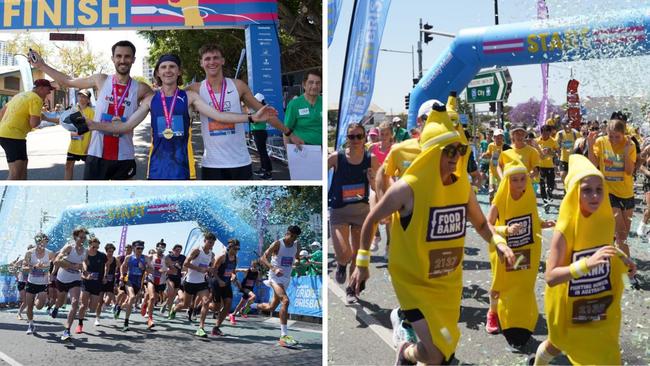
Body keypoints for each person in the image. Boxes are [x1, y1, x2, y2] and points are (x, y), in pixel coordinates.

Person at [349, 121, 515, 365]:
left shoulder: (462, 187)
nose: (455, 156)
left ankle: (407, 348)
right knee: (437, 355)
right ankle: (407, 341)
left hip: (447, 282)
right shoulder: (408, 188)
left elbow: (481, 225)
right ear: (432, 152)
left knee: (444, 352)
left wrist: (499, 242)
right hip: (412, 281)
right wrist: (361, 264)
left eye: (459, 150)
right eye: (449, 150)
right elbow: (371, 219)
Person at [87, 54, 277, 180]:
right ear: (158, 73)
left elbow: (219, 115)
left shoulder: (189, 97)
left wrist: (251, 118)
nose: (168, 70)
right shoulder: (151, 100)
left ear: (178, 72)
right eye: (163, 67)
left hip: (184, 167)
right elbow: (125, 127)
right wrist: (93, 125)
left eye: (172, 66)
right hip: (157, 168)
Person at [531, 154, 634, 365]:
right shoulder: (565, 227)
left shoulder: (605, 220)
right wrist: (586, 264)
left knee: (607, 355)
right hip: (569, 309)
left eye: (599, 189)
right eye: (587, 190)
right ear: (575, 193)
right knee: (556, 344)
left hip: (599, 305)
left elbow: (604, 249)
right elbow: (551, 277)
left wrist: (623, 259)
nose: (595, 196)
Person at [30, 41, 155, 180]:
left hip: (124, 156)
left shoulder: (141, 88)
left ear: (133, 59)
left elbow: (162, 101)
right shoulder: (101, 79)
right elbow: (68, 81)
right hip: (96, 154)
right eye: (118, 56)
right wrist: (41, 65)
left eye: (127, 56)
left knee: (122, 200)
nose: (123, 60)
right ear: (113, 58)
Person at [186, 44, 302, 180]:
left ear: (222, 61)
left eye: (216, 58)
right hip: (212, 164)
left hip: (240, 162)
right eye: (207, 59)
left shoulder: (238, 86)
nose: (212, 62)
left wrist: (289, 133)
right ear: (201, 63)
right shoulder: (195, 89)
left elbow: (264, 113)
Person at [485, 159, 554, 349]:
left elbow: (531, 218)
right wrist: (506, 230)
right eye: (514, 180)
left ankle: (519, 321)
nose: (519, 184)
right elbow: (488, 225)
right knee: (500, 285)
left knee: (522, 286)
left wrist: (542, 223)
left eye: (522, 179)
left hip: (526, 250)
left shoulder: (529, 195)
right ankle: (492, 313)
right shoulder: (500, 199)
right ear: (507, 181)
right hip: (503, 251)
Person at [328, 123, 377, 303]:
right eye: (351, 137)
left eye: (359, 136)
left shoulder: (370, 159)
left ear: (364, 138)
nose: (355, 140)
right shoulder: (336, 157)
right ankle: (341, 264)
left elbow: (376, 187)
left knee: (357, 254)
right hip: (339, 212)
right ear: (347, 139)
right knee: (344, 253)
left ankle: (351, 288)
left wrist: (372, 179)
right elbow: (317, 172)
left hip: (361, 213)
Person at [587, 118, 639, 288]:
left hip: (627, 193)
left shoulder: (629, 145)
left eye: (617, 136)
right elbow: (593, 163)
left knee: (622, 237)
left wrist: (625, 151)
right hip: (608, 193)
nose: (613, 140)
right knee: (622, 234)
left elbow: (629, 171)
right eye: (611, 136)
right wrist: (590, 143)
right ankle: (627, 275)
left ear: (623, 134)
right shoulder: (601, 142)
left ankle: (613, 263)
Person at [254, 226, 302, 347]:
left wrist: (297, 261)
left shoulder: (297, 244)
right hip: (275, 277)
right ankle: (283, 336)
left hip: (286, 278)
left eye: (295, 237)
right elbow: (263, 258)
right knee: (285, 301)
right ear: (287, 233)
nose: (293, 239)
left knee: (271, 307)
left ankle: (252, 304)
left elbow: (297, 258)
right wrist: (273, 268)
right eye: (291, 236)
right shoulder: (277, 244)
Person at [0, 79, 55, 179]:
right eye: (48, 89)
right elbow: (34, 123)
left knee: (23, 165)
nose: (49, 92)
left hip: (9, 134)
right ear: (41, 88)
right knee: (15, 173)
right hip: (13, 136)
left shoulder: (19, 95)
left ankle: (22, 191)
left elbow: (2, 113)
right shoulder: (36, 99)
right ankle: (6, 193)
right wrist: (39, 117)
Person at [169, 232, 216, 338]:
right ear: (204, 241)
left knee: (206, 301)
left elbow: (209, 266)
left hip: (202, 283)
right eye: (209, 242)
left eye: (212, 243)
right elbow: (185, 264)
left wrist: (209, 270)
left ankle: (201, 328)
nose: (211, 245)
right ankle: (174, 309)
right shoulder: (197, 250)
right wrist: (200, 269)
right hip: (190, 282)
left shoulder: (211, 254)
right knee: (186, 305)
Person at [51, 227, 89, 341]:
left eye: (84, 238)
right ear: (75, 237)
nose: (82, 239)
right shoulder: (69, 247)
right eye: (80, 237)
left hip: (75, 279)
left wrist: (85, 270)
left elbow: (84, 262)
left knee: (75, 303)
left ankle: (67, 330)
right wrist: (72, 266)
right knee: (61, 300)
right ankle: (56, 308)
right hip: (62, 278)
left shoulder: (85, 251)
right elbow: (56, 261)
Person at [23, 233, 55, 335]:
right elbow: (24, 268)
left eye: (44, 241)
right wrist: (34, 267)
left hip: (43, 284)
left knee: (39, 306)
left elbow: (57, 263)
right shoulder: (29, 253)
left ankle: (38, 299)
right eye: (39, 241)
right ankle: (31, 324)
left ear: (46, 242)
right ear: (36, 241)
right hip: (31, 282)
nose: (41, 243)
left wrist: (51, 273)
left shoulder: (49, 253)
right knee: (29, 306)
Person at [283, 70, 322, 147]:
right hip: (302, 149)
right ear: (304, 85)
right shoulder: (294, 104)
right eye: (311, 82)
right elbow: (286, 130)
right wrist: (289, 153)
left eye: (318, 83)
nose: (314, 86)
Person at [209, 239, 239, 335]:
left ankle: (216, 327)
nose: (236, 250)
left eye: (238, 249)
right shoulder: (222, 257)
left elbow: (232, 272)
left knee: (228, 304)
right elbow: (213, 271)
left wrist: (234, 277)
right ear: (229, 247)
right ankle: (203, 305)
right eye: (235, 248)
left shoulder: (236, 259)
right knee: (216, 308)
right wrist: (219, 280)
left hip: (226, 284)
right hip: (217, 283)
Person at [77, 237, 107, 333]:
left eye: (97, 247)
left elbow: (106, 265)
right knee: (83, 305)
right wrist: (85, 273)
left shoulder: (102, 256)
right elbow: (83, 263)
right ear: (89, 245)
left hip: (97, 284)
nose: (95, 249)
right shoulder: (85, 253)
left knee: (92, 309)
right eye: (94, 247)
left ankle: (87, 307)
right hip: (86, 282)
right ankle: (80, 324)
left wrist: (105, 276)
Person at [119, 240, 149, 331]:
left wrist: (144, 268)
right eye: (138, 248)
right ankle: (126, 322)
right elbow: (122, 266)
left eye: (142, 248)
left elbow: (151, 269)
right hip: (129, 280)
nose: (140, 250)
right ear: (134, 249)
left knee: (129, 302)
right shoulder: (129, 257)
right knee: (131, 297)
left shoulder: (145, 258)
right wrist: (121, 275)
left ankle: (119, 307)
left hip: (138, 283)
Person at [64, 90, 94, 180]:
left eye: (84, 97)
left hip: (86, 147)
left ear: (88, 100)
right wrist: (46, 118)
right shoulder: (73, 110)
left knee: (89, 170)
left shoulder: (91, 112)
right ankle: (67, 189)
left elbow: (94, 131)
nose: (81, 98)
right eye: (80, 96)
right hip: (73, 146)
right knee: (68, 167)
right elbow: (64, 122)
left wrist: (89, 146)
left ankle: (88, 190)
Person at [142, 240, 169, 328]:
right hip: (151, 279)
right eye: (160, 247)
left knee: (153, 299)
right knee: (152, 297)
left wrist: (166, 270)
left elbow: (172, 270)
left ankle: (145, 305)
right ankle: (150, 319)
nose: (161, 249)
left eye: (163, 247)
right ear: (156, 247)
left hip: (161, 282)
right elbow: (144, 268)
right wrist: (152, 271)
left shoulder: (166, 259)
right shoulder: (150, 257)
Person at [481, 128, 509, 203]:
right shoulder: (491, 145)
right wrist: (485, 155)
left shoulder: (505, 147)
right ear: (494, 137)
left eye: (501, 137)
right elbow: (488, 154)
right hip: (492, 172)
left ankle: (500, 210)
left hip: (502, 174)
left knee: (501, 193)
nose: (499, 139)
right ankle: (492, 210)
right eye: (497, 137)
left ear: (503, 138)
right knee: (491, 192)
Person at [250, 93, 273, 180]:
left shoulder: (260, 109)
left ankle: (268, 172)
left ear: (259, 101)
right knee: (261, 152)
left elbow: (254, 121)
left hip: (259, 132)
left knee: (263, 153)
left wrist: (250, 117)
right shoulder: (259, 109)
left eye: (256, 100)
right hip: (258, 132)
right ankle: (263, 169)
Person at [537, 125, 560, 212]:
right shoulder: (537, 141)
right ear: (541, 132)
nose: (545, 135)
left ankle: (549, 193)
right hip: (540, 166)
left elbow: (558, 153)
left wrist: (552, 152)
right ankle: (545, 202)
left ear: (550, 133)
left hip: (550, 166)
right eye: (543, 133)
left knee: (551, 185)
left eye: (547, 133)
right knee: (542, 184)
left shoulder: (553, 141)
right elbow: (533, 152)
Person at [97, 242, 120, 324]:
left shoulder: (115, 260)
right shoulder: (102, 258)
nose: (110, 253)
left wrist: (118, 277)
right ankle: (97, 318)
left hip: (111, 281)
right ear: (106, 251)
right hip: (101, 281)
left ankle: (105, 306)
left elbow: (120, 268)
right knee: (99, 301)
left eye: (112, 251)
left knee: (108, 300)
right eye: (109, 251)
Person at [164, 244, 186, 314]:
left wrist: (181, 268)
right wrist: (168, 268)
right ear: (173, 250)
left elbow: (185, 267)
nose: (178, 252)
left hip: (178, 277)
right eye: (176, 250)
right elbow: (164, 266)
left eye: (179, 250)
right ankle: (170, 311)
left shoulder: (182, 257)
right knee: (171, 292)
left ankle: (165, 304)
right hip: (170, 277)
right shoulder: (168, 257)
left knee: (173, 296)